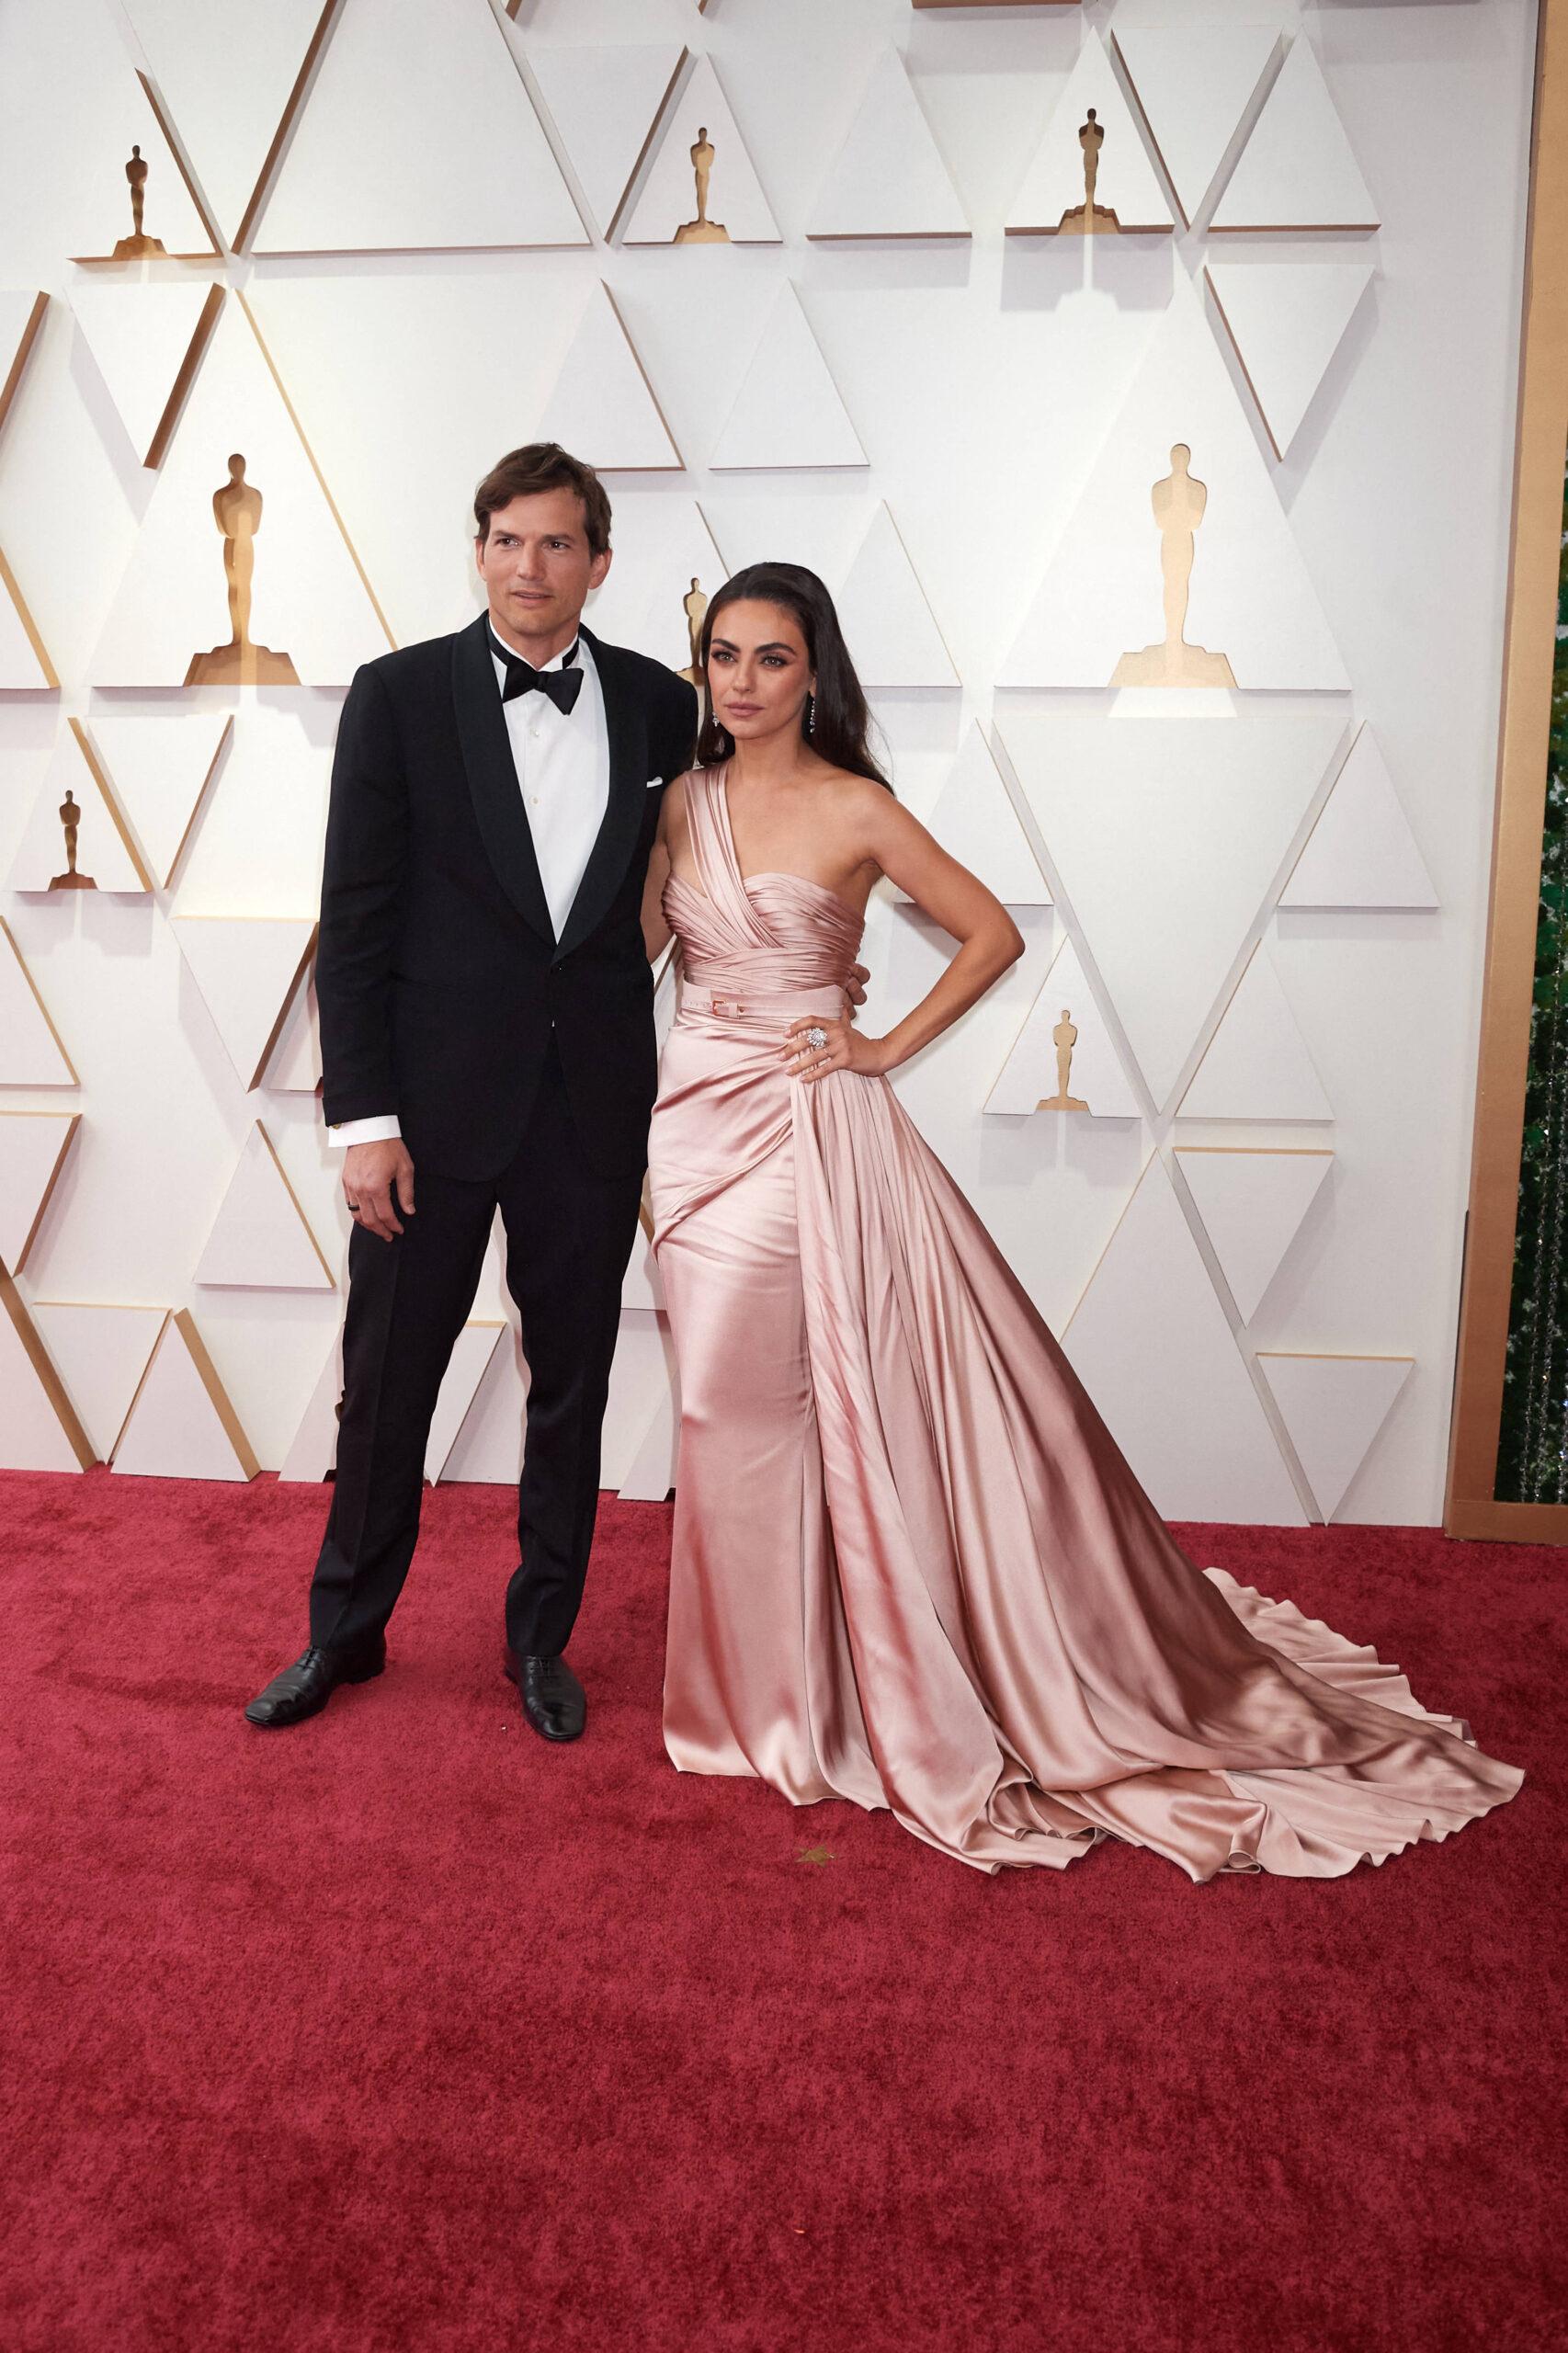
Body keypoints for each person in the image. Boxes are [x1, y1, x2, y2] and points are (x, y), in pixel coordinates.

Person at [642, 563, 1524, 1877]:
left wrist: (880, 1045)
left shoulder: (855, 806)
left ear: (814, 672)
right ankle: (762, 1692)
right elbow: (644, 951)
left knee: (764, 1406)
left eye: (772, 658)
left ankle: (791, 1704)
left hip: (800, 1135)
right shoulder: (679, 804)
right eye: (724, 655)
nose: (744, 681)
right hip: (689, 1125)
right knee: (724, 1412)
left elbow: (988, 934)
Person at [245, 447, 814, 1742]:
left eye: (556, 545)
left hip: (590, 1106)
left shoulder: (665, 709)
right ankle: (343, 1633)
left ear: (597, 564)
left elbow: (747, 829)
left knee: (575, 1385)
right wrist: (365, 1123)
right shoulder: (396, 698)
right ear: (479, 548)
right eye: (505, 539)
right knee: (385, 1386)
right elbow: (357, 917)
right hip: (426, 1121)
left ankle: (540, 1642)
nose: (528, 567)